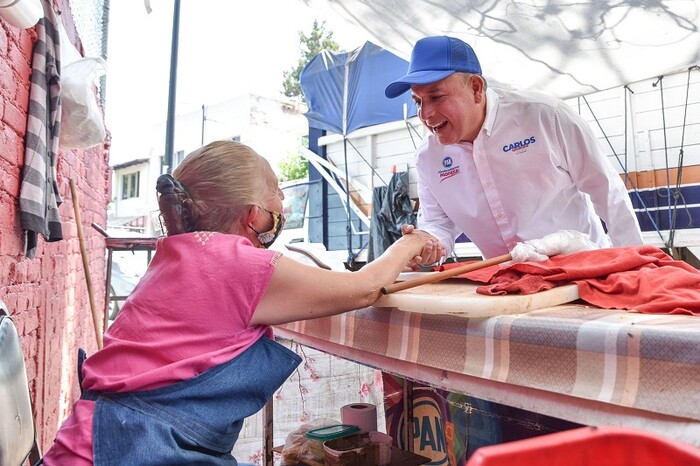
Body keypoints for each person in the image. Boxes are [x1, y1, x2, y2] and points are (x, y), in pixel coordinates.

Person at [40, 140, 433, 465]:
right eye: (276, 190)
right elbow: (363, 289)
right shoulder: (238, 263)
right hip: (130, 448)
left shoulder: (177, 253)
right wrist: (411, 241)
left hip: (94, 438)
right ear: (252, 216)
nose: (282, 199)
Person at [385, 35, 643, 265]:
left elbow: (607, 191)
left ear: (476, 88)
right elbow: (437, 224)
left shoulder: (546, 117)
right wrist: (428, 245)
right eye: (418, 101)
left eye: (436, 97)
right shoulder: (428, 158)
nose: (425, 114)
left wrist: (635, 264)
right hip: (508, 284)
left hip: (582, 269)